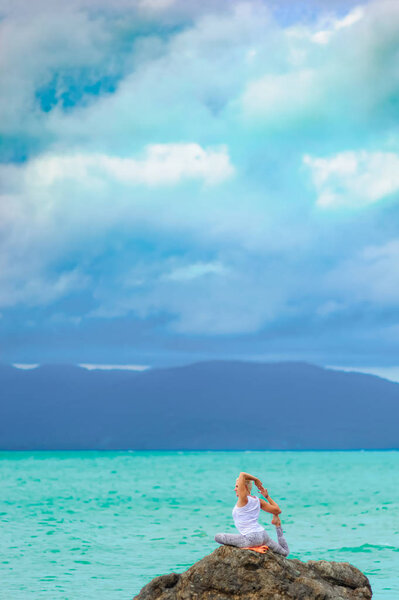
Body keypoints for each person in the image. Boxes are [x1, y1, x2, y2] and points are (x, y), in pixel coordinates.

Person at [214, 471, 290, 556]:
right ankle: (278, 526)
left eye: (237, 486)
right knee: (285, 552)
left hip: (251, 538)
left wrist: (255, 479)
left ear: (244, 487)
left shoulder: (243, 499)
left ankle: (253, 546)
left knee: (218, 537)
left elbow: (242, 474)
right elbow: (277, 510)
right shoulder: (258, 500)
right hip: (263, 535)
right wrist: (267, 497)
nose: (235, 489)